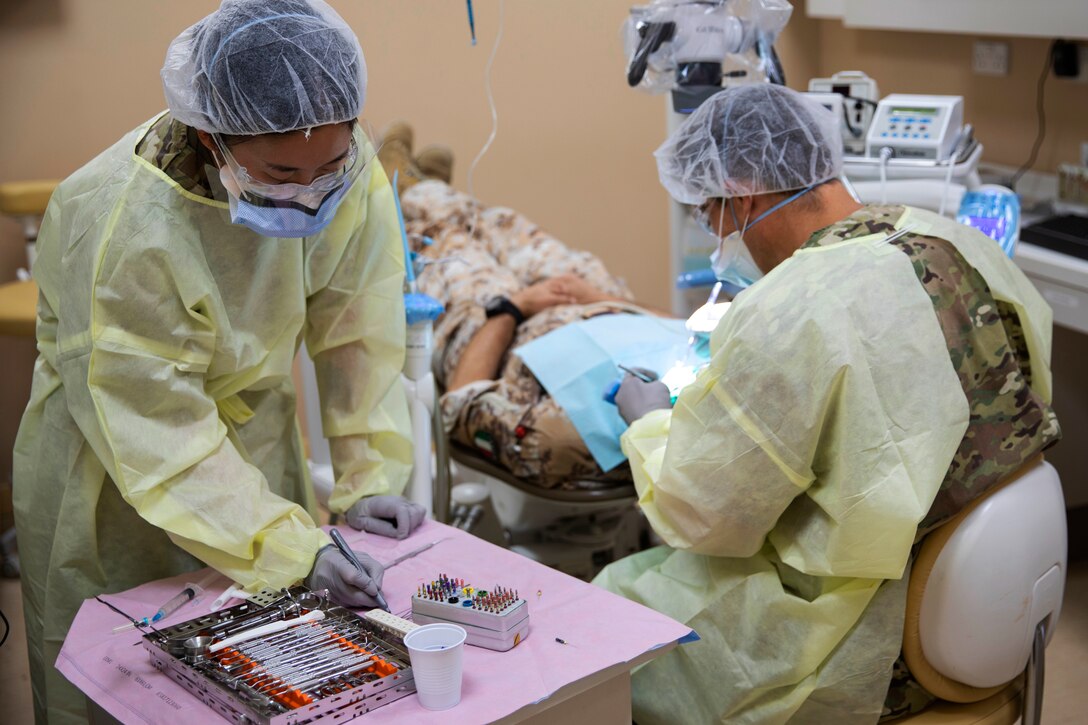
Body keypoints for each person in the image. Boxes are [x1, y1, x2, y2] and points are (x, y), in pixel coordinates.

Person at [594, 84, 1061, 724]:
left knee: (607, 614)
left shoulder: (790, 308)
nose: (718, 236)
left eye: (710, 215)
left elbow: (704, 516)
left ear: (743, 192)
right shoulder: (951, 239)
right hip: (999, 599)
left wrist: (646, 420)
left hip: (875, 651)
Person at [13, 3, 426, 722]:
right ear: (213, 137)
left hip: (255, 447)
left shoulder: (344, 171)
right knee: (122, 686)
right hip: (114, 472)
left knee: (272, 672)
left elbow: (357, 328)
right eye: (280, 171)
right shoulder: (116, 221)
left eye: (330, 164)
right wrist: (288, 547)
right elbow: (152, 422)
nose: (312, 190)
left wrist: (368, 477)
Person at [396, 178, 659, 489]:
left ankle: (411, 189)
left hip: (498, 326)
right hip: (599, 303)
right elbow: (684, 324)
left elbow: (461, 400)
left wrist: (513, 308)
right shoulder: (701, 391)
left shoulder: (553, 439)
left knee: (443, 235)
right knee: (503, 223)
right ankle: (438, 191)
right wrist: (602, 298)